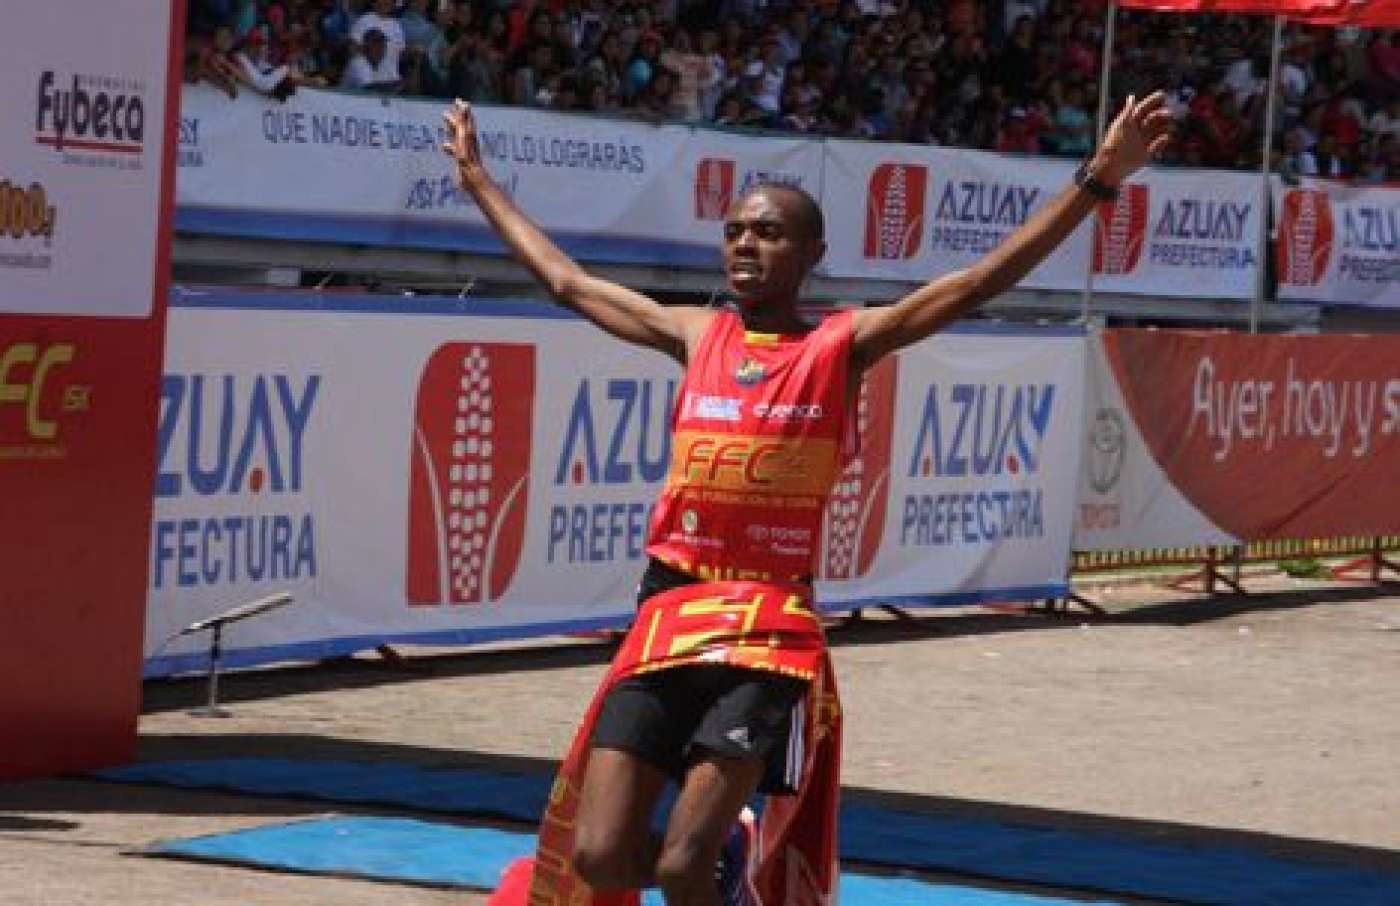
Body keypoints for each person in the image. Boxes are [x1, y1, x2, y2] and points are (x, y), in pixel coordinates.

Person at [443, 90, 1170, 906]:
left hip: (768, 630)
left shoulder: (841, 345)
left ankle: (717, 856)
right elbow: (567, 282)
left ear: (811, 252)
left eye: (768, 232)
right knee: (602, 858)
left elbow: (974, 283)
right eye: (735, 232)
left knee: (682, 867)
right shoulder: (695, 334)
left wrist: (1097, 180)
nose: (745, 245)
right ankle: (731, 859)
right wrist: (478, 182)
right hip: (668, 614)